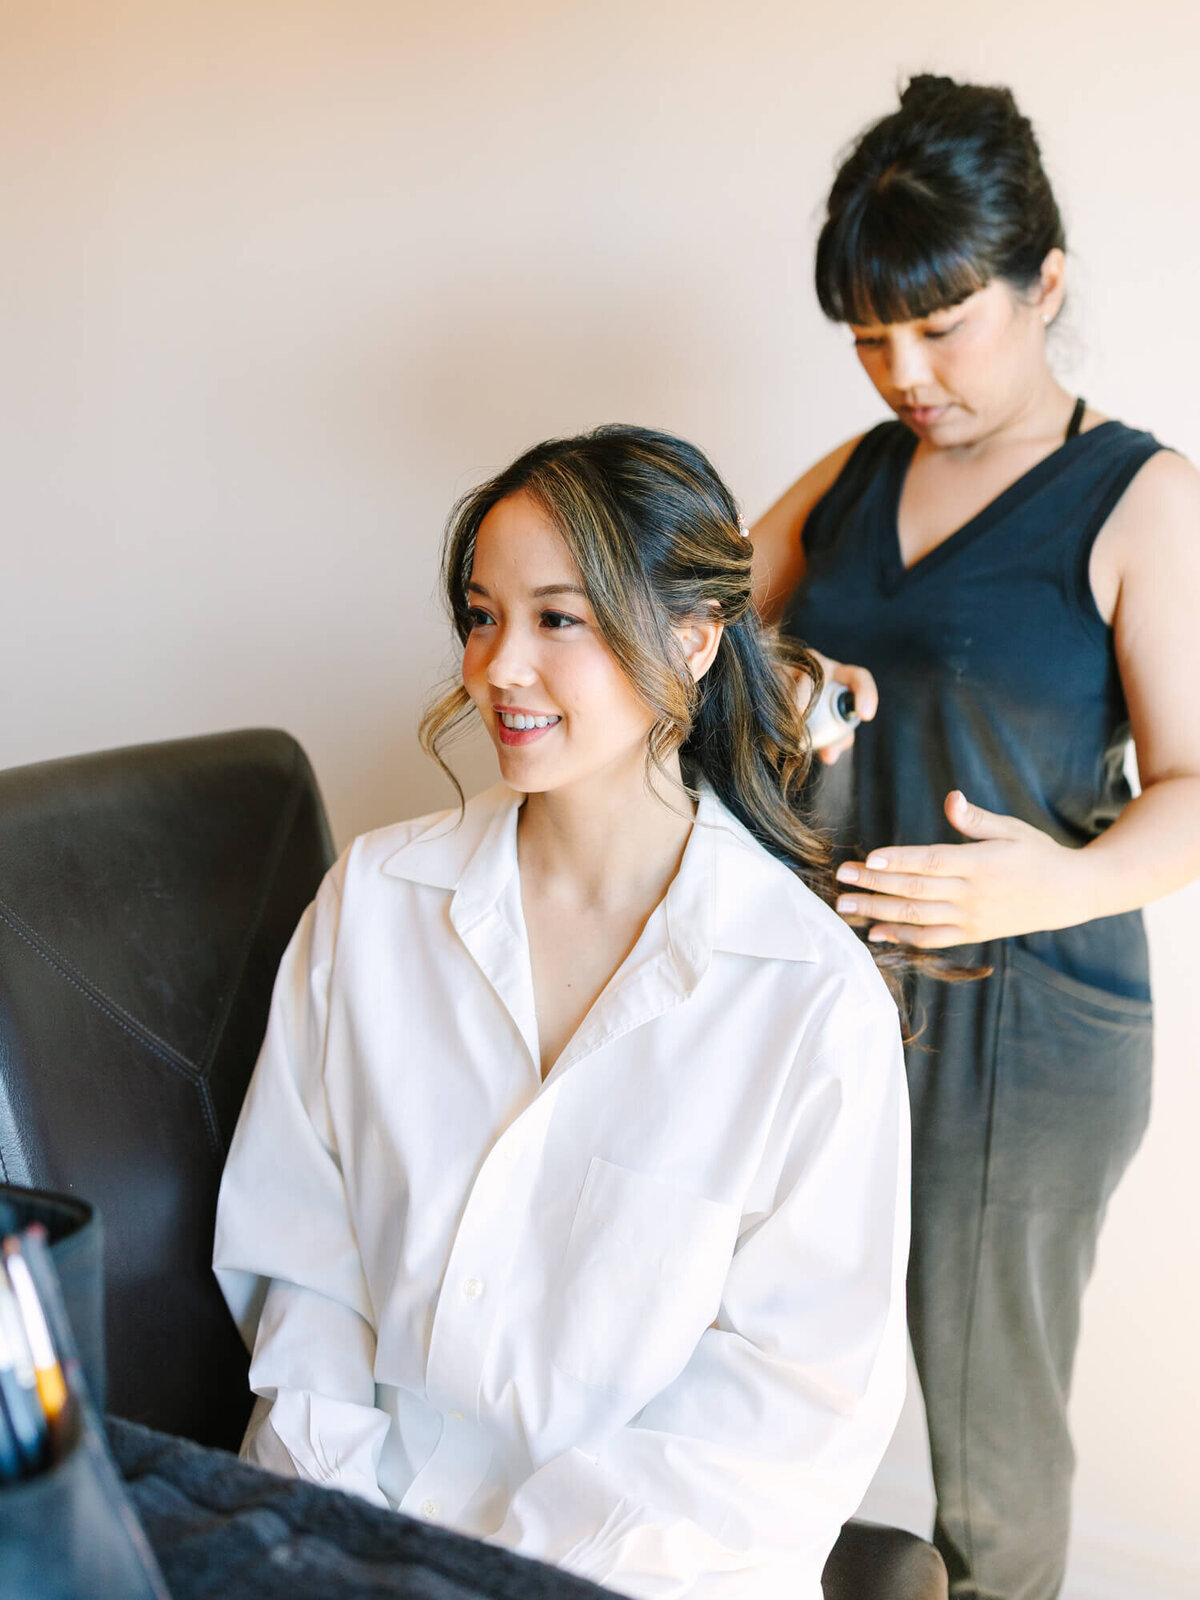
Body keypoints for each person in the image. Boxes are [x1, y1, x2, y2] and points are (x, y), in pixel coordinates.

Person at [213, 425, 912, 1599]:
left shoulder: (806, 997)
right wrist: (356, 1536)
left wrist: (501, 1573)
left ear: (691, 640)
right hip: (338, 1538)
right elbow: (299, 1265)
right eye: (483, 615)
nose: (498, 668)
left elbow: (791, 1401)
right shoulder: (376, 904)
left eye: (557, 618)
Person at [752, 74, 1200, 1600]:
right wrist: (796, 692)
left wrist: (1055, 880)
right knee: (754, 1372)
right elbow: (700, 647)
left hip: (1030, 1029)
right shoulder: (859, 474)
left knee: (991, 1458)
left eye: (942, 327)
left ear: (1045, 284)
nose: (904, 372)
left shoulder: (1137, 498)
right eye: (872, 337)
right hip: (829, 1005)